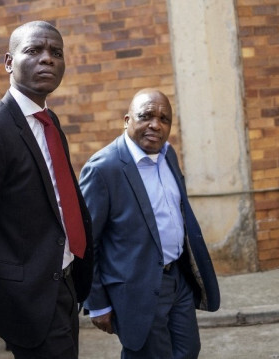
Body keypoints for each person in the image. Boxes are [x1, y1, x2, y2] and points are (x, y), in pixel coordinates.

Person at [0, 20, 93, 358]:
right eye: (34, 50)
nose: (47, 59)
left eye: (56, 53)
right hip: (26, 299)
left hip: (65, 284)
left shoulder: (50, 122)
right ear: (8, 62)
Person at [79, 88, 221, 359]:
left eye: (164, 119)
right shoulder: (103, 169)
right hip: (136, 288)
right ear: (126, 120)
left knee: (188, 350)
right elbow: (87, 243)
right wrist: (97, 304)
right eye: (145, 116)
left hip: (177, 280)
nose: (155, 125)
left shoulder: (168, 154)